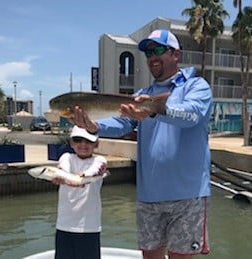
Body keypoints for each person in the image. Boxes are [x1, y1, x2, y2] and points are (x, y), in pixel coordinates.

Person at [72, 29, 213, 259]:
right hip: (149, 195)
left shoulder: (196, 87)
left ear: (176, 54)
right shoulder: (142, 95)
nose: (152, 57)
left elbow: (192, 115)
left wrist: (155, 109)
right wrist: (94, 127)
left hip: (188, 195)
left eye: (158, 49)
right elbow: (121, 122)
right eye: (148, 52)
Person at [52, 125, 107, 259]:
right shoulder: (66, 157)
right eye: (78, 140)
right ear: (71, 143)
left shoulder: (100, 161)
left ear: (97, 144)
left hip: (88, 228)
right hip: (64, 226)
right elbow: (63, 167)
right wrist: (61, 175)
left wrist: (81, 178)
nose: (83, 145)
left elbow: (94, 171)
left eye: (88, 141)